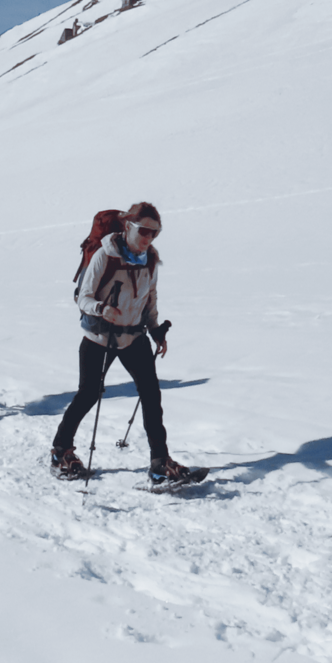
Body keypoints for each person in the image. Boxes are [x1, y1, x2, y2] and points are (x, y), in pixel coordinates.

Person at [50, 202, 201, 487]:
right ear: (129, 226)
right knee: (88, 394)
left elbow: (150, 298)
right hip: (99, 337)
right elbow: (83, 297)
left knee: (151, 395)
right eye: (144, 231)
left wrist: (155, 330)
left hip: (133, 337)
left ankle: (160, 463)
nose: (149, 238)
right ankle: (60, 451)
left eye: (155, 233)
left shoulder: (150, 259)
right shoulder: (104, 255)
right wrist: (101, 309)